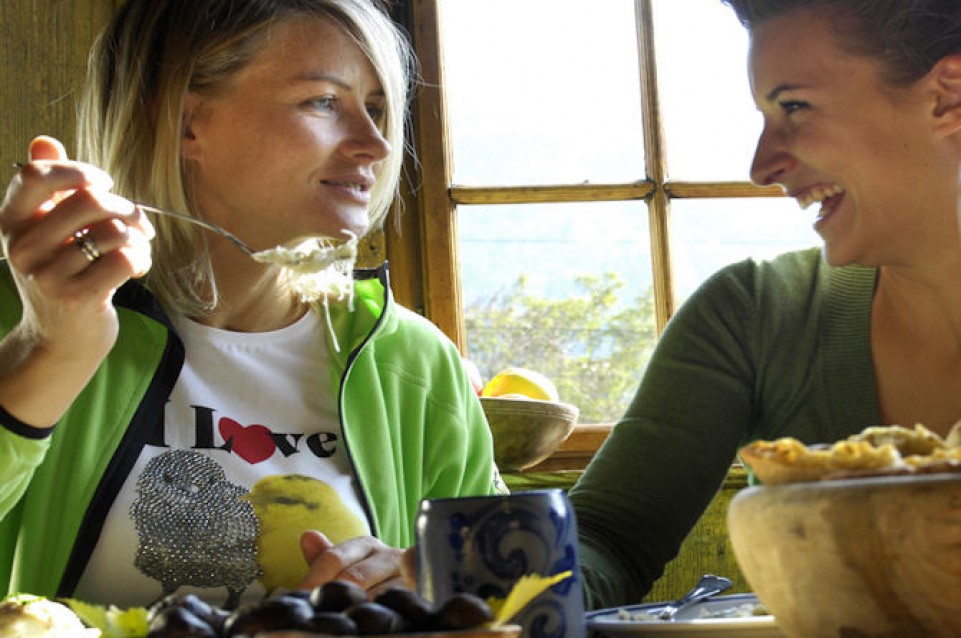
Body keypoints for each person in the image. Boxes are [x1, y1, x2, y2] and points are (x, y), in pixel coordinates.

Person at [0, 0, 503, 609]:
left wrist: (428, 584)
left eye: (375, 109)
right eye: (323, 101)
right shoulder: (26, 314)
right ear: (186, 123)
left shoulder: (414, 362)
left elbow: (510, 591)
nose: (374, 144)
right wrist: (47, 351)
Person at [568, 0, 961, 610]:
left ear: (948, 97)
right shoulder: (752, 314)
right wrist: (475, 580)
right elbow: (607, 538)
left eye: (794, 107)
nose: (762, 167)